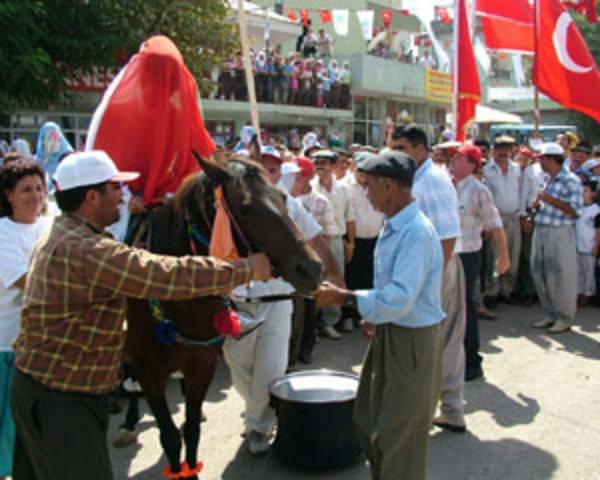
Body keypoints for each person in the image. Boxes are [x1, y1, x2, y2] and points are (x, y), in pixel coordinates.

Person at [10, 151, 273, 480]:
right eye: (115, 189)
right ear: (91, 197)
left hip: (46, 389)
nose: (123, 197)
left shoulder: (65, 231)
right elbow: (161, 275)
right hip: (60, 402)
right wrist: (245, 269)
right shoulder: (84, 249)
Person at [315, 151, 443, 480]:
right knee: (368, 418)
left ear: (388, 186)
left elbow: (400, 298)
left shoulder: (415, 232)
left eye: (369, 185)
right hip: (391, 330)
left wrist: (345, 298)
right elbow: (388, 286)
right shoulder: (395, 224)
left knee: (398, 437)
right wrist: (374, 313)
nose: (365, 192)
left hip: (412, 340)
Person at [223, 146, 339, 456]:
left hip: (277, 300)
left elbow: (315, 238)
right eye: (263, 168)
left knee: (271, 369)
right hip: (237, 302)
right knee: (238, 367)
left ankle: (258, 425)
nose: (269, 175)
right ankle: (257, 408)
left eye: (273, 169)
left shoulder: (288, 205)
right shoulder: (227, 210)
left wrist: (335, 276)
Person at [389, 125, 467, 430]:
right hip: (421, 269)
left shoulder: (431, 180)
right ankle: (441, 407)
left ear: (421, 149)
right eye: (393, 148)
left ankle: (446, 408)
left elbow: (448, 235)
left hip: (436, 270)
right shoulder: (414, 178)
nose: (396, 154)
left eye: (402, 148)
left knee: (439, 340)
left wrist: (432, 280)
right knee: (430, 341)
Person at [0, 161, 50, 480]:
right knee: (6, 432)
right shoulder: (3, 232)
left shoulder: (50, 226)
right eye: (26, 190)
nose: (36, 196)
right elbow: (27, 282)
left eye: (40, 188)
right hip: (7, 344)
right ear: (9, 196)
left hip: (42, 346)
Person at [448, 145, 510, 393]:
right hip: (446, 254)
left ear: (472, 164)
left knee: (464, 308)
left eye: (459, 158)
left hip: (468, 255)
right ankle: (450, 360)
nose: (453, 161)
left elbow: (495, 225)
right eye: (453, 157)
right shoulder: (445, 185)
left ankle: (472, 362)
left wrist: (503, 256)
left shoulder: (479, 190)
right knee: (446, 308)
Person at [531, 143, 583, 334]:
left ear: (552, 159)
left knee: (560, 275)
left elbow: (576, 210)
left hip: (560, 231)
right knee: (540, 272)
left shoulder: (571, 180)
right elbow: (545, 203)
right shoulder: (547, 178)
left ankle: (565, 317)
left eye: (542, 159)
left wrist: (551, 200)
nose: (540, 162)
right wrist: (538, 205)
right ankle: (550, 313)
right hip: (542, 227)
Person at [311, 149, 356, 339]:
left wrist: (351, 243)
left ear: (334, 166)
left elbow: (350, 217)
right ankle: (311, 324)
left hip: (336, 239)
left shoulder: (343, 189)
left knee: (335, 279)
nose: (319, 166)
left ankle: (329, 322)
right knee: (313, 280)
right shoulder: (310, 187)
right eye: (316, 162)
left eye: (324, 162)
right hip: (314, 240)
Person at [483, 135, 522, 306]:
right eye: (500, 148)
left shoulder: (517, 169)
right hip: (495, 218)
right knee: (494, 256)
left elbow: (521, 192)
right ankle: (492, 291)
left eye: (507, 149)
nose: (503, 152)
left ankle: (507, 290)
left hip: (513, 217)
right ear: (494, 150)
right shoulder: (486, 170)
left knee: (512, 254)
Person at [575, 181, 600, 307]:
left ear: (593, 194)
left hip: (589, 246)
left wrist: (596, 246)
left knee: (588, 272)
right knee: (578, 271)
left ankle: (587, 294)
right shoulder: (577, 209)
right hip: (577, 245)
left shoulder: (596, 211)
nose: (582, 194)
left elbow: (598, 230)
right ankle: (578, 293)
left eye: (585, 191)